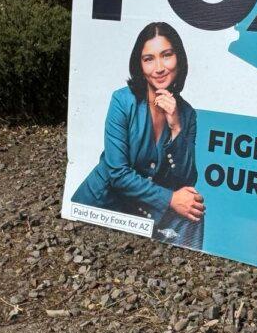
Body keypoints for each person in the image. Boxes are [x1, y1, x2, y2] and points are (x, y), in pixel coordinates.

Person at [72, 21, 205, 249]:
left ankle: (181, 270)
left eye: (166, 55)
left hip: (145, 209)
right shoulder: (122, 102)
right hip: (104, 204)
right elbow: (117, 173)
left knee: (195, 205)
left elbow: (186, 180)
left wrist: (176, 128)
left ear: (179, 59)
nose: (159, 67)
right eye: (149, 59)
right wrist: (170, 199)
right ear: (140, 65)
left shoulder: (187, 114)